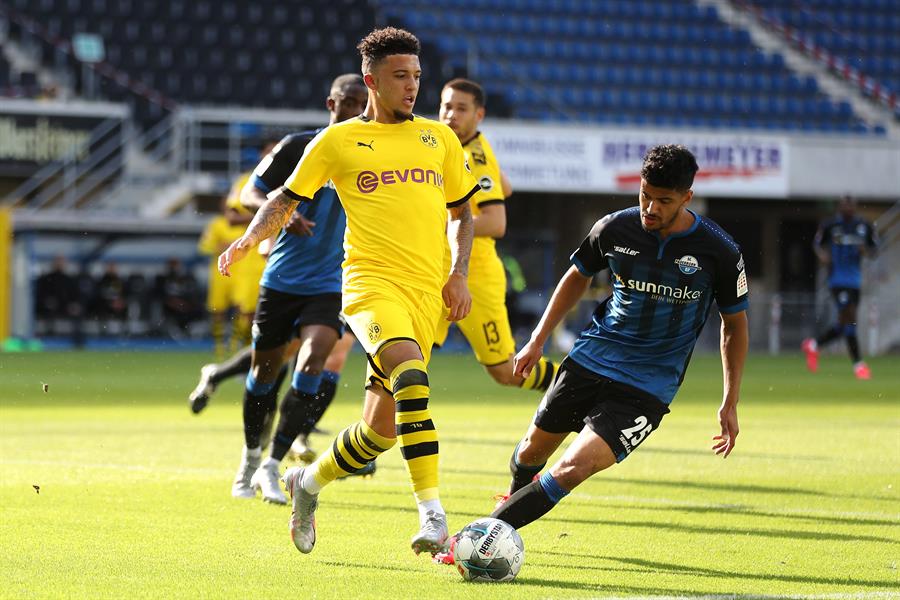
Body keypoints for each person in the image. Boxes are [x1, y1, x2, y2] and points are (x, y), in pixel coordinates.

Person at [219, 27, 478, 555]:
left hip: (426, 294)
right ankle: (433, 516)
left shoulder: (439, 139)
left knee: (379, 432)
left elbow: (462, 212)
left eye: (417, 76)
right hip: (368, 285)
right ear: (372, 81)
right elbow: (284, 199)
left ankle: (305, 482)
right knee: (411, 379)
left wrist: (458, 274)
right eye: (400, 77)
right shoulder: (336, 143)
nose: (412, 87)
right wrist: (249, 238)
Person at [437, 145, 748, 562]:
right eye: (644, 194)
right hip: (590, 360)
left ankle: (475, 542)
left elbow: (734, 324)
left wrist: (730, 399)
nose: (650, 207)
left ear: (687, 198)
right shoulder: (615, 229)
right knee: (531, 453)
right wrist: (537, 339)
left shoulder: (719, 251)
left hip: (647, 386)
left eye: (664, 200)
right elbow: (575, 277)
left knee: (569, 469)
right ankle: (511, 506)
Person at [219, 74, 370, 504]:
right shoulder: (297, 146)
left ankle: (273, 464)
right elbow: (251, 193)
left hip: (331, 282)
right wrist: (282, 215)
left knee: (313, 363)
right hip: (282, 278)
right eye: (349, 102)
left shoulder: (371, 153)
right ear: (331, 103)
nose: (357, 110)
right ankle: (250, 459)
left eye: (364, 103)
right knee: (264, 375)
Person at [434, 78, 557, 392]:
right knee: (408, 352)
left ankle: (578, 386)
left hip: (474, 275)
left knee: (507, 371)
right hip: (434, 271)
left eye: (462, 109)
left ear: (479, 115)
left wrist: (435, 223)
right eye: (447, 106)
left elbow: (496, 222)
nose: (451, 115)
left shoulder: (476, 157)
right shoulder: (449, 144)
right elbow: (507, 187)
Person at [802, 196, 878, 380]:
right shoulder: (830, 225)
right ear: (839, 207)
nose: (847, 208)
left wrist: (865, 251)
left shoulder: (864, 226)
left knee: (847, 325)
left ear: (855, 207)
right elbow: (817, 243)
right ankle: (859, 365)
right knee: (849, 315)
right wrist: (822, 255)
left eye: (850, 205)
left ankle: (813, 344)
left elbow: (874, 250)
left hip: (855, 281)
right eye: (844, 205)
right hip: (837, 280)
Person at [197, 201, 261, 358]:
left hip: (242, 273)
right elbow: (204, 246)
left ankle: (234, 343)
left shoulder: (247, 226)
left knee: (243, 309)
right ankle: (218, 345)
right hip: (220, 274)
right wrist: (221, 247)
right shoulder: (217, 224)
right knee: (218, 310)